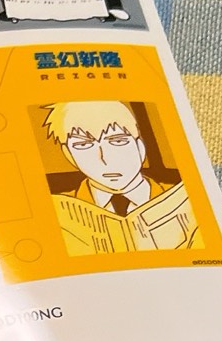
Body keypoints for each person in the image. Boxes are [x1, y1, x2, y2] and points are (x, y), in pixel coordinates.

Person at [41, 100, 197, 239]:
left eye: (118, 141)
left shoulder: (185, 199)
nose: (105, 158)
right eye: (83, 145)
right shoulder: (57, 211)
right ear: (69, 154)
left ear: (140, 145)